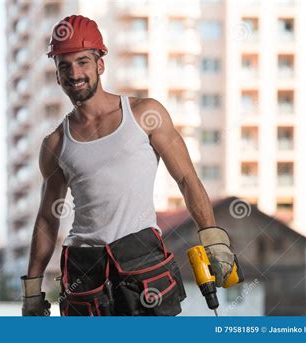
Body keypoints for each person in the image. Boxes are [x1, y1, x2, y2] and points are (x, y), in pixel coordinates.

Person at [21, 15, 235, 316]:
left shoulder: (145, 114)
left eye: (82, 61)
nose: (74, 73)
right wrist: (32, 289)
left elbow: (186, 178)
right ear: (57, 75)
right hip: (84, 276)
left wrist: (212, 238)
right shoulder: (55, 143)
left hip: (142, 266)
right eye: (64, 66)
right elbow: (47, 218)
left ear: (100, 64)